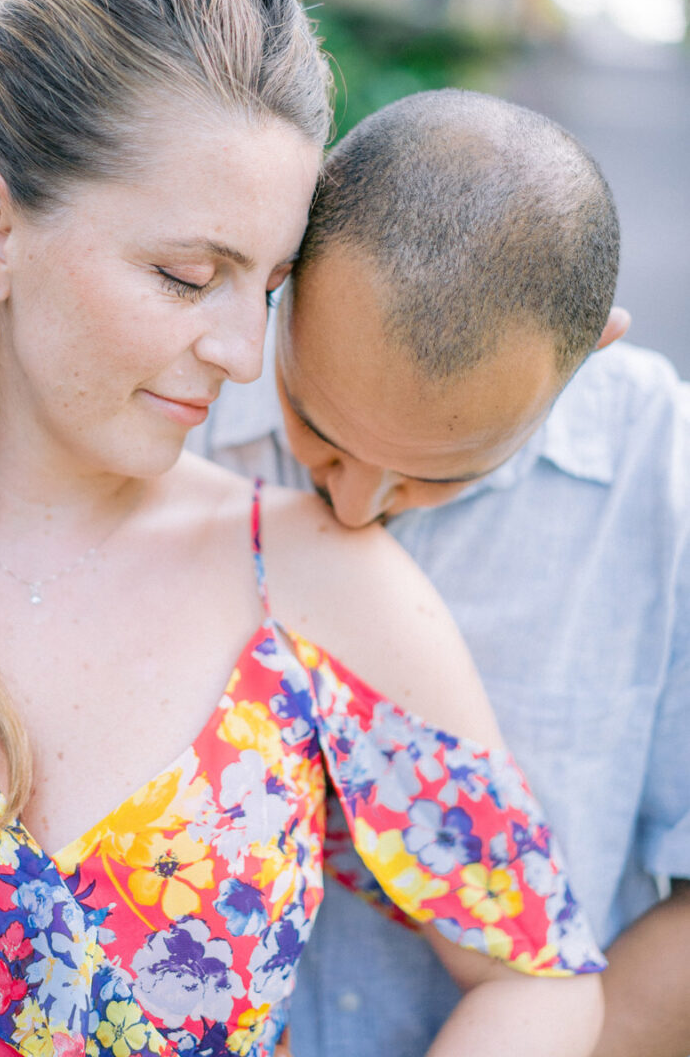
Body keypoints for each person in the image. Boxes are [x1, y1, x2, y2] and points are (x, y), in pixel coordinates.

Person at [0, 0, 607, 1057]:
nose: (243, 354)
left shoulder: (309, 579)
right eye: (186, 275)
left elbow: (539, 972)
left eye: (268, 284)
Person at [190, 88, 690, 1057]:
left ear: (584, 360)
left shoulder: (667, 482)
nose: (352, 507)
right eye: (318, 431)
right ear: (284, 281)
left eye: (439, 472)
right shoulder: (174, 400)